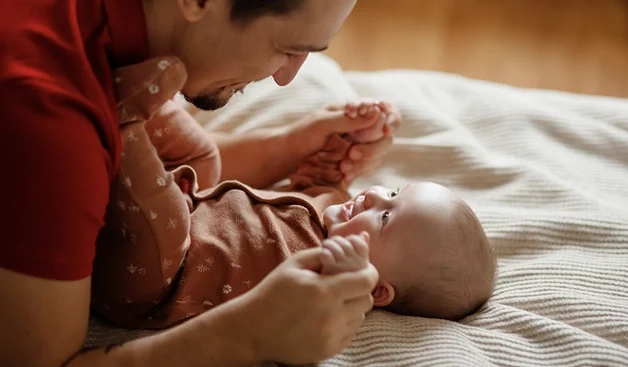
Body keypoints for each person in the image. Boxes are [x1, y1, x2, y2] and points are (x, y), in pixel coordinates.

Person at [0, 1, 396, 366]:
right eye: (288, 48)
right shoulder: (52, 123)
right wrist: (246, 335)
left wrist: (290, 145)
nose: (285, 77)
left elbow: (147, 173)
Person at [92, 64, 495, 329]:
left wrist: (348, 278)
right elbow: (322, 170)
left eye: (386, 217)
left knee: (161, 210)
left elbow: (302, 320)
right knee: (204, 156)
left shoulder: (333, 287)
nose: (373, 196)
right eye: (393, 191)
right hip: (191, 194)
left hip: (158, 276)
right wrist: (356, 129)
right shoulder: (332, 203)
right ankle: (132, 85)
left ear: (377, 290)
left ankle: (124, 122)